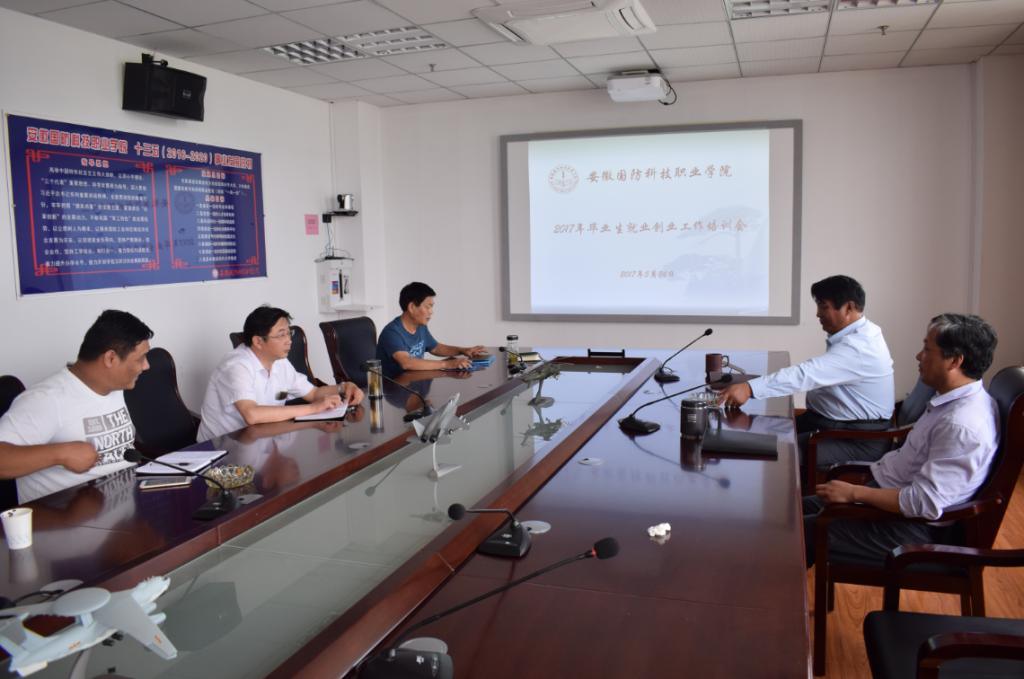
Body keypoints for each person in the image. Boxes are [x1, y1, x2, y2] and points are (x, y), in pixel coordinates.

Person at [803, 313, 999, 567]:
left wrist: (854, 492)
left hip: (908, 528)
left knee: (791, 532)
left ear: (954, 361)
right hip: (887, 503)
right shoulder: (954, 400)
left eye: (927, 349)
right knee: (790, 513)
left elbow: (924, 503)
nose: (919, 356)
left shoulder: (961, 424)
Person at [717, 274, 895, 470]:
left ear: (849, 308)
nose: (818, 314)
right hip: (829, 423)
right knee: (756, 431)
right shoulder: (863, 332)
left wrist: (749, 389)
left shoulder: (859, 347)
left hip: (857, 439)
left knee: (779, 452)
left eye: (823, 307)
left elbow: (805, 374)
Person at [0, 310, 153, 503]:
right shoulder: (46, 399)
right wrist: (60, 454)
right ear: (110, 358)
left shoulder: (117, 387)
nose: (146, 366)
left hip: (123, 506)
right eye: (140, 359)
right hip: (69, 515)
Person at [198, 306, 364, 440]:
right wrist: (314, 408)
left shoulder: (280, 362)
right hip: (220, 451)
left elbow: (313, 393)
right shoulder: (236, 366)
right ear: (258, 341)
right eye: (281, 335)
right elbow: (251, 414)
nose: (289, 340)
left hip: (260, 438)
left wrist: (344, 388)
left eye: (289, 333)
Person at [376, 282, 486, 376]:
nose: (431, 312)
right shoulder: (392, 332)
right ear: (412, 307)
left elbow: (436, 348)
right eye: (428, 307)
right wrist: (447, 364)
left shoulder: (420, 326)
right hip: (395, 388)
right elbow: (407, 363)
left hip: (415, 382)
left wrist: (463, 350)